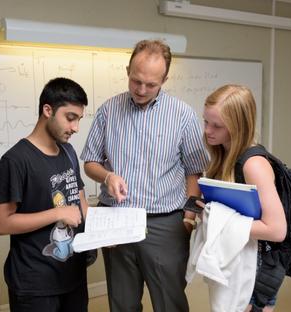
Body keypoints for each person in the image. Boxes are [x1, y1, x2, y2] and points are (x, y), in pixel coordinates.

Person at [80, 40, 209, 312]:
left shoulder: (182, 115)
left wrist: (187, 218)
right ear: (128, 70)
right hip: (116, 220)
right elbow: (90, 162)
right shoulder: (108, 110)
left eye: (151, 85)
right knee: (122, 303)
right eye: (135, 80)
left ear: (164, 79)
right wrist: (106, 177)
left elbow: (194, 171)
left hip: (166, 224)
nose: (141, 90)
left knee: (169, 301)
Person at [0, 77, 89, 312]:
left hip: (73, 276)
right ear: (48, 110)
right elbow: (2, 223)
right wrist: (57, 213)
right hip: (35, 284)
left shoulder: (68, 151)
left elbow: (81, 202)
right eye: (70, 118)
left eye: (79, 119)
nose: (75, 127)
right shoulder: (15, 160)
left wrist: (105, 233)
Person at [202, 84, 286, 312]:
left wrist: (223, 223)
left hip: (258, 269)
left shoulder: (253, 165)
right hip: (238, 259)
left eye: (217, 125)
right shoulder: (223, 154)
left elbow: (277, 230)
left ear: (237, 126)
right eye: (206, 122)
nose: (208, 130)